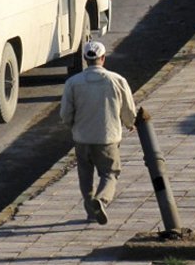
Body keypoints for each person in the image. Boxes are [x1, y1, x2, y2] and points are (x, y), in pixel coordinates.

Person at [58, 38, 139, 226]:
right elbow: (128, 108)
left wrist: (70, 125)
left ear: (86, 59)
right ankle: (101, 201)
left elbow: (65, 113)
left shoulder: (73, 82)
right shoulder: (116, 80)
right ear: (103, 58)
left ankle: (91, 212)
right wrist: (129, 123)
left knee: (85, 177)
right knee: (110, 173)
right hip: (107, 138)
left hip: (82, 138)